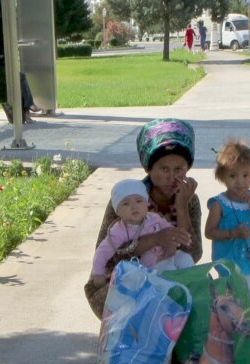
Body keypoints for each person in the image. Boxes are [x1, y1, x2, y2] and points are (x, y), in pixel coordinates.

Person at [84, 118, 203, 319]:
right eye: (164, 169)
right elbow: (109, 254)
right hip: (125, 277)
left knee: (201, 298)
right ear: (148, 168)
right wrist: (156, 239)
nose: (172, 177)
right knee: (139, 310)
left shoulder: (189, 199)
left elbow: (194, 252)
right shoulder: (128, 198)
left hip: (169, 272)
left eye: (179, 169)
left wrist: (181, 206)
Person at [204, 138, 250, 339]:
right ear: (222, 177)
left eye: (245, 175)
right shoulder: (219, 203)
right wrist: (233, 233)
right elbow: (209, 231)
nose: (240, 181)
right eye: (232, 176)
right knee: (230, 300)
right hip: (229, 262)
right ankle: (228, 333)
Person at [89, 179, 195, 287]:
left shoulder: (153, 217)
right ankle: (179, 293)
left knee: (185, 258)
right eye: (126, 203)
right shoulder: (118, 231)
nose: (134, 206)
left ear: (146, 204)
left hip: (168, 255)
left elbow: (170, 230)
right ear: (117, 211)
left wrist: (173, 242)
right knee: (168, 272)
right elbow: (102, 252)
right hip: (151, 267)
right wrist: (98, 273)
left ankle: (194, 285)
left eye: (139, 201)